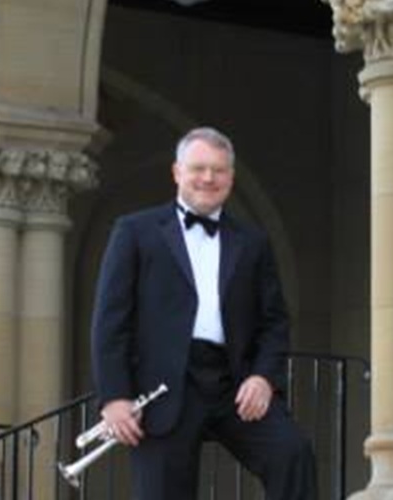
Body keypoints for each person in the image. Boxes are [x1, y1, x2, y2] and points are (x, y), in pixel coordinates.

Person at [90, 127, 316, 500]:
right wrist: (114, 397)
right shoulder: (135, 231)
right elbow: (110, 322)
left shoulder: (253, 241)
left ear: (231, 177)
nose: (208, 178)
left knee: (292, 453)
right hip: (162, 386)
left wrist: (262, 377)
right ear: (177, 172)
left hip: (233, 380)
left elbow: (274, 321)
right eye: (198, 168)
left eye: (219, 170)